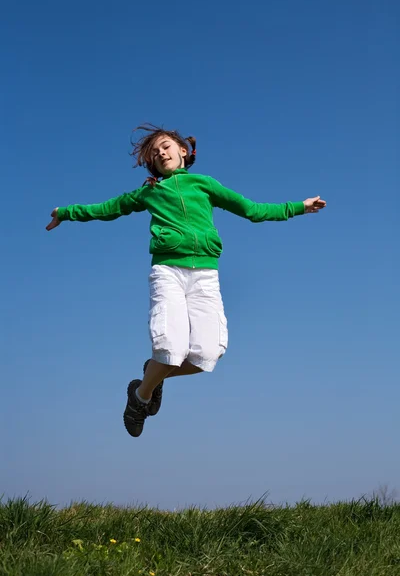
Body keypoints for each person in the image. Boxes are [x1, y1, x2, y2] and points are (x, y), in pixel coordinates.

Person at [46, 124, 326, 437]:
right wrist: (66, 212)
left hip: (205, 275)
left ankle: (149, 380)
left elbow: (253, 210)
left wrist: (299, 208)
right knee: (168, 347)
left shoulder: (204, 184)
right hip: (168, 272)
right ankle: (140, 398)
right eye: (154, 153)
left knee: (207, 355)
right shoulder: (151, 191)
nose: (160, 153)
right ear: (152, 164)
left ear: (183, 150)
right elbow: (107, 208)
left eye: (165, 146)